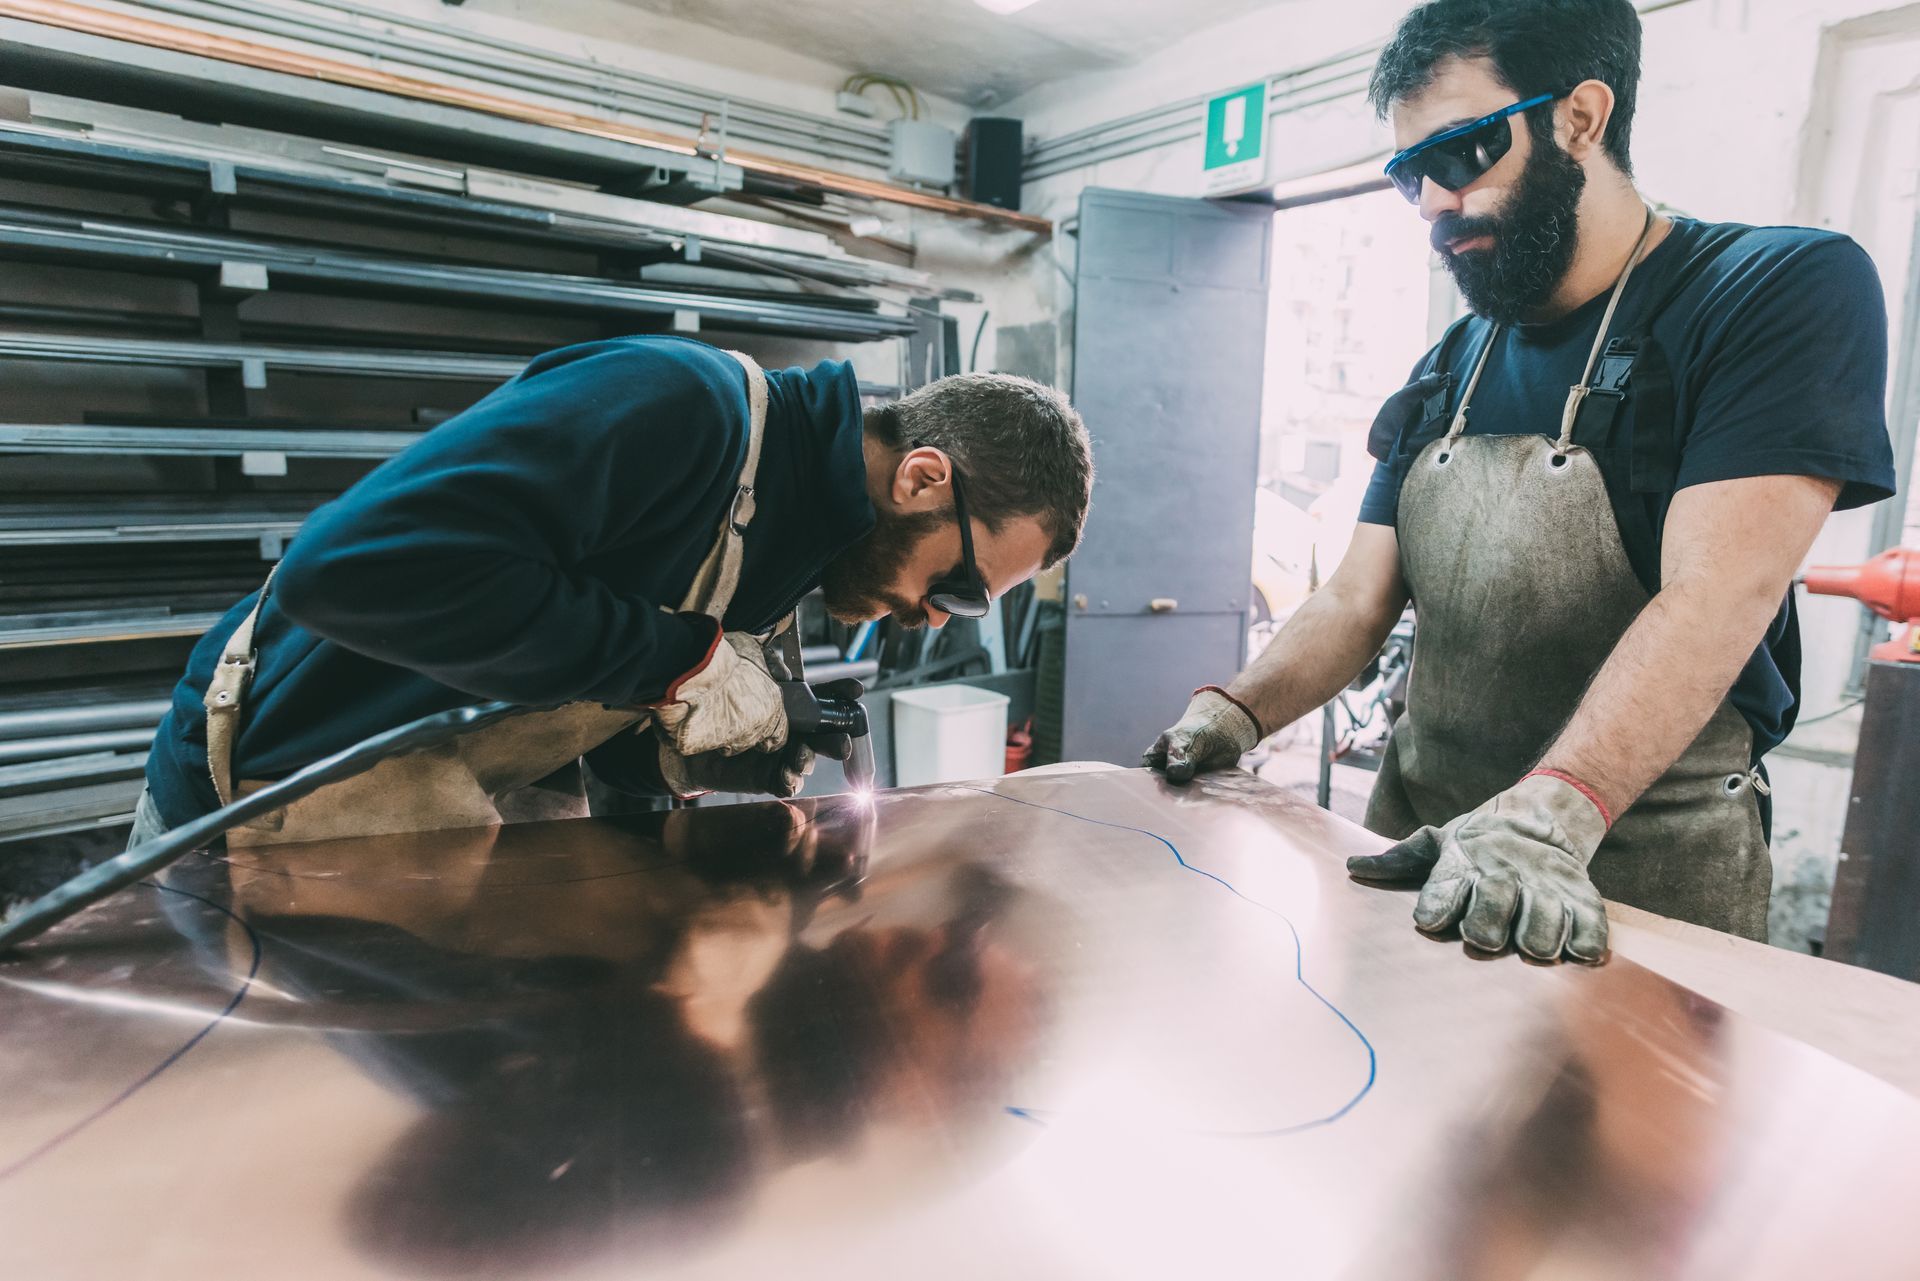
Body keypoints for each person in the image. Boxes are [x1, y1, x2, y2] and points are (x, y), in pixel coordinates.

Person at [1146, 0, 1895, 960]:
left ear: (1580, 117)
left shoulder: (1768, 291)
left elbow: (1717, 594)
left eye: (1460, 154)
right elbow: (1354, 598)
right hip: (1418, 872)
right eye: (1409, 174)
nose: (1432, 202)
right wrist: (1235, 711)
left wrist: (1550, 814)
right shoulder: (1450, 365)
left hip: (1633, 894)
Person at [133, 335, 1093, 847]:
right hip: (256, 808)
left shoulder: (794, 544)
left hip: (430, 830)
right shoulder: (684, 407)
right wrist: (677, 663)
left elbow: (568, 685)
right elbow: (345, 569)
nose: (931, 618)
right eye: (960, 589)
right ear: (922, 479)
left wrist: (685, 757)